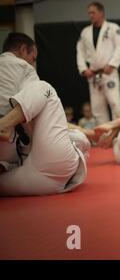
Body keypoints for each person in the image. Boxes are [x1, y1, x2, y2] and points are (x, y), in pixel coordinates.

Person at [0, 32, 89, 196]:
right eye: (33, 58)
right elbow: (39, 103)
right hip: (29, 161)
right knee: (44, 88)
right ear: (23, 49)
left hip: (16, 164)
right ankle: (3, 126)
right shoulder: (23, 67)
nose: (33, 63)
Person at [76, 2, 120, 124]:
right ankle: (104, 138)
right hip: (93, 75)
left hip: (109, 73)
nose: (90, 15)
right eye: (89, 13)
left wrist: (112, 64)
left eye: (93, 12)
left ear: (101, 12)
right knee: (97, 109)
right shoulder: (85, 32)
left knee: (116, 105)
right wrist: (83, 69)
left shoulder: (113, 28)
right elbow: (80, 51)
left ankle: (118, 136)